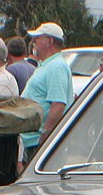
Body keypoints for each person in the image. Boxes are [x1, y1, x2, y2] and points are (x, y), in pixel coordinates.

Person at [20, 21, 74, 164]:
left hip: (41, 142)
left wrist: (46, 134)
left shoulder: (56, 66)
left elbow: (58, 103)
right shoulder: (48, 64)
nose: (33, 42)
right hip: (34, 140)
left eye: (37, 38)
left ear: (49, 41)